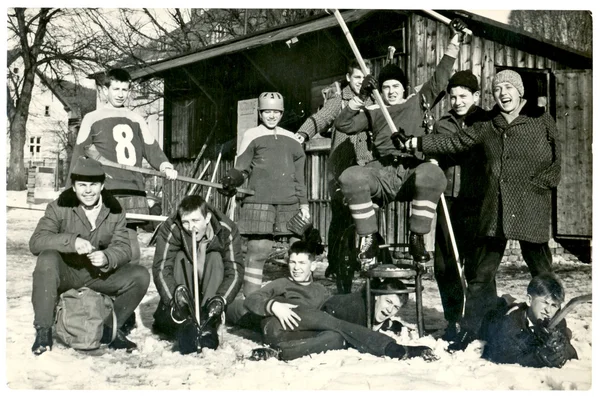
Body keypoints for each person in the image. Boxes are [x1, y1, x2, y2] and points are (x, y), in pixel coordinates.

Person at [405, 69, 562, 349]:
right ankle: (468, 330)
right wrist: (418, 142)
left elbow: (556, 160)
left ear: (519, 91)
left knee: (541, 270)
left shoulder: (541, 119)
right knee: (481, 275)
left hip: (530, 206)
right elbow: (455, 141)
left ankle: (556, 325)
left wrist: (542, 184)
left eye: (508, 88)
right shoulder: (489, 124)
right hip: (497, 208)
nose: (503, 94)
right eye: (498, 89)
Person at [333, 19, 468, 269]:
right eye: (385, 87)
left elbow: (440, 77)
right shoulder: (374, 110)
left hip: (411, 170)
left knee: (433, 173)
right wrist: (361, 97)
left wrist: (454, 40)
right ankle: (369, 239)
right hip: (381, 172)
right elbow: (344, 125)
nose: (391, 91)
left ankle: (417, 237)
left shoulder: (417, 101)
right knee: (351, 176)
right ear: (380, 91)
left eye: (395, 86)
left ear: (404, 88)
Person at [229, 241, 436, 362]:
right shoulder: (282, 283)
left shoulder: (319, 291)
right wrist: (274, 305)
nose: (296, 268)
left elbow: (328, 311)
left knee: (337, 338)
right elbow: (253, 298)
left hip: (295, 335)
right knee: (336, 325)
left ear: (313, 265)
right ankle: (394, 349)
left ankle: (277, 354)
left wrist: (387, 322)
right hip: (276, 325)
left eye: (302, 263)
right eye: (292, 262)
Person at [29, 156, 150, 355]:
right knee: (47, 258)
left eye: (93, 184)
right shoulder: (58, 206)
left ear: (102, 185)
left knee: (140, 275)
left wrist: (107, 257)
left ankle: (110, 328)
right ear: (74, 187)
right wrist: (71, 241)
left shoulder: (115, 210)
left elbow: (124, 248)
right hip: (67, 272)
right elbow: (36, 242)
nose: (87, 190)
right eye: (82, 185)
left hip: (97, 274)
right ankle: (43, 331)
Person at [67, 68, 178, 273]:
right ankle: (103, 298)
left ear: (129, 91)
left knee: (132, 252)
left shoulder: (136, 118)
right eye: (115, 88)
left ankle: (126, 298)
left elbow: (151, 148)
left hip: (133, 191)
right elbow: (78, 158)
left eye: (125, 89)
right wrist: (69, 194)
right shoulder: (92, 118)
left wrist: (165, 165)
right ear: (105, 90)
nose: (120, 93)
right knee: (103, 248)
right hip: (106, 191)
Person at [219, 92, 310, 297]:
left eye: (276, 112)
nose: (272, 116)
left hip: (290, 203)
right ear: (260, 113)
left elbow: (299, 177)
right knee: (259, 251)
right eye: (267, 111)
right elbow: (242, 167)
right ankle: (251, 301)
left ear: (282, 113)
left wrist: (304, 204)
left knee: (299, 252)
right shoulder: (252, 135)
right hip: (259, 202)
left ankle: (301, 298)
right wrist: (232, 179)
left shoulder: (291, 139)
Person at [296, 60, 375, 293]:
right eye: (357, 77)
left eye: (365, 77)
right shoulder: (339, 99)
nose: (361, 81)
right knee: (341, 220)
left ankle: (365, 273)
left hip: (367, 169)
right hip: (340, 170)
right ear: (349, 78)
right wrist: (303, 133)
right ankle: (339, 270)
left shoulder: (375, 100)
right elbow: (322, 117)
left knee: (363, 221)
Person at [430, 70, 488, 341]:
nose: (457, 101)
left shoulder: (487, 120)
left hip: (478, 201)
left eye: (463, 96)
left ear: (476, 96)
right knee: (445, 264)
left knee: (478, 264)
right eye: (453, 97)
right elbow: (439, 148)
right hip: (449, 200)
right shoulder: (443, 124)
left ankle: (482, 321)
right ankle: (453, 319)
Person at [151, 195, 243, 353]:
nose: (190, 227)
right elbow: (161, 268)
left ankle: (209, 322)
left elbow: (235, 270)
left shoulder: (226, 229)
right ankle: (184, 321)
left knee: (215, 257)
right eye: (186, 222)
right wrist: (174, 301)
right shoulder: (172, 227)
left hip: (211, 287)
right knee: (179, 257)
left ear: (207, 218)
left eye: (195, 221)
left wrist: (221, 300)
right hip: (184, 289)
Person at [479, 273, 578, 368]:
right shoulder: (510, 324)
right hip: (493, 322)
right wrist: (539, 358)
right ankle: (504, 301)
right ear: (529, 300)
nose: (548, 310)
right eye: (545, 302)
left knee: (566, 333)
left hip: (524, 314)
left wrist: (561, 348)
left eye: (554, 305)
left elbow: (572, 354)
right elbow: (502, 356)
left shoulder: (557, 320)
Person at [321, 277, 408, 334]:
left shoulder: (374, 309)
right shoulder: (355, 309)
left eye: (396, 307)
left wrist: (392, 325)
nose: (390, 309)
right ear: (377, 295)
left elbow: (380, 323)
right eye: (388, 301)